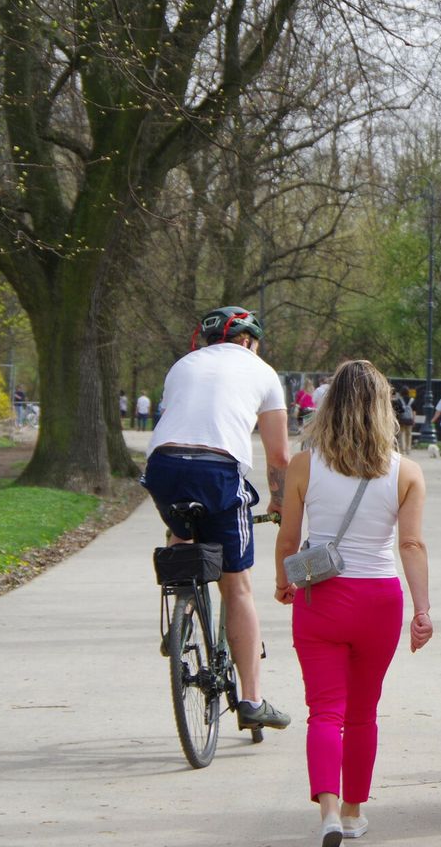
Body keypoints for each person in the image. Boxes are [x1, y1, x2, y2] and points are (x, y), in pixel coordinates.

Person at [274, 359, 433, 845]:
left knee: (325, 710)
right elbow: (410, 545)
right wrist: (422, 609)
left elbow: (288, 536)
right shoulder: (406, 472)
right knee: (363, 712)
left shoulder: (303, 466)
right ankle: (353, 810)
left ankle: (325, 811)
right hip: (378, 599)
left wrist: (284, 581)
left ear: (329, 404)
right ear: (384, 408)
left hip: (322, 596)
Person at [141, 305, 293, 732]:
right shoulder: (262, 371)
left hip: (163, 466)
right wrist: (279, 502)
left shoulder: (182, 365)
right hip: (218, 469)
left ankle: (181, 613)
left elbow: (176, 422)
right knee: (237, 586)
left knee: (182, 523)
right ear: (248, 340)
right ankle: (251, 700)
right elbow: (279, 455)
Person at [397, 388, 415, 455]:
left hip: (402, 420)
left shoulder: (399, 400)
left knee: (402, 434)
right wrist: (413, 419)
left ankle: (403, 450)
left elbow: (398, 411)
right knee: (409, 435)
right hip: (410, 420)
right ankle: (408, 449)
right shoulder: (412, 400)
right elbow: (414, 411)